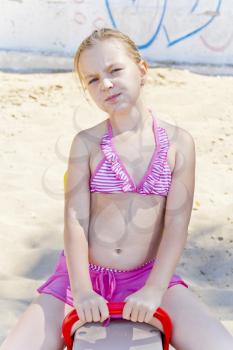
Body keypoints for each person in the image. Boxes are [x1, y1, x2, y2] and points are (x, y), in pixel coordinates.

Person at [1, 27, 232, 350]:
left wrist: (154, 290)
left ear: (142, 70)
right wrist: (81, 290)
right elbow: (75, 221)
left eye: (114, 70)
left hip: (148, 276)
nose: (105, 84)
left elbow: (177, 226)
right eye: (92, 80)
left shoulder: (179, 144)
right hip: (81, 276)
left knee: (220, 345)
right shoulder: (87, 143)